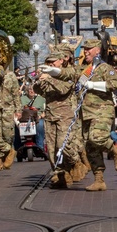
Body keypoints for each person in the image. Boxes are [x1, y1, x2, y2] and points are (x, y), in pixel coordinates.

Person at [78, 38, 117, 191]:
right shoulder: (85, 69)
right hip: (86, 113)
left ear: (97, 50)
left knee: (96, 138)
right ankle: (99, 179)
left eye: (89, 48)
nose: (86, 51)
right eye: (85, 49)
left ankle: (114, 149)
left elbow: (115, 84)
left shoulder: (105, 68)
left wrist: (93, 85)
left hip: (102, 110)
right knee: (90, 147)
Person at [35, 50, 82, 187]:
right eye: (48, 62)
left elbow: (64, 89)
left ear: (61, 61)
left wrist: (49, 78)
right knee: (51, 149)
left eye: (53, 62)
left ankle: (75, 162)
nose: (50, 64)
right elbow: (38, 91)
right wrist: (39, 80)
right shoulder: (47, 75)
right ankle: (61, 175)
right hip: (50, 115)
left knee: (63, 145)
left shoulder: (68, 73)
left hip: (65, 115)